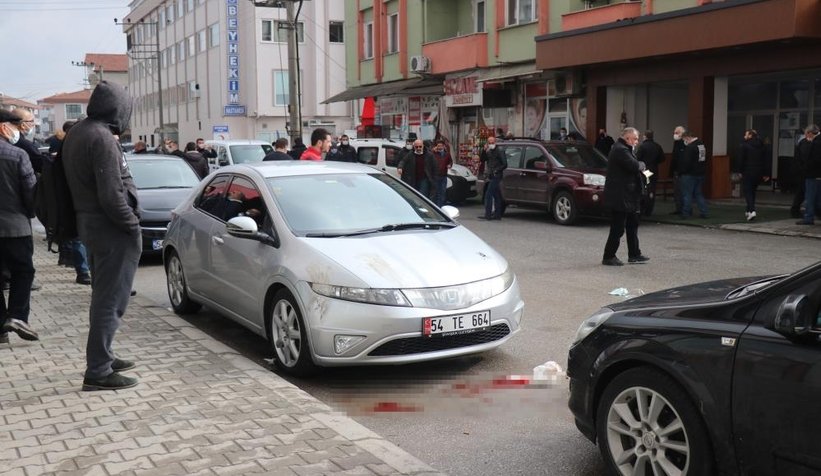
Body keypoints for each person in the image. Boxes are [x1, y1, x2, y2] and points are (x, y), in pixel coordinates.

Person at [62, 81, 140, 391]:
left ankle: (103, 355)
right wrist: (132, 225)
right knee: (111, 299)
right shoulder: (102, 138)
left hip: (92, 226)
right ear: (119, 108)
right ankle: (98, 370)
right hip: (112, 229)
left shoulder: (79, 131)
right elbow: (111, 194)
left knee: (103, 295)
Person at [0, 109, 39, 344]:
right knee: (23, 272)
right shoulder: (17, 155)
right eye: (13, 125)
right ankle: (16, 316)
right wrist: (32, 213)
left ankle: (0, 330)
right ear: (4, 127)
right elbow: (30, 191)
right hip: (16, 227)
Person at [602, 127, 648, 266]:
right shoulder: (620, 150)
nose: (636, 141)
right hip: (620, 196)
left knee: (632, 224)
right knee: (618, 228)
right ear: (627, 138)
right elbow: (634, 166)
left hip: (629, 195)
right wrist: (642, 164)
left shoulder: (626, 149)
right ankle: (609, 256)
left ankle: (634, 254)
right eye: (635, 139)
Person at [736, 129, 766, 222]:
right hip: (758, 172)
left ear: (750, 136)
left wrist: (739, 171)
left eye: (746, 135)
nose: (744, 136)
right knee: (752, 191)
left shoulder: (744, 146)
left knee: (748, 191)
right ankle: (748, 210)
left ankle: (752, 210)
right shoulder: (761, 146)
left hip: (748, 171)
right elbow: (765, 160)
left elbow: (741, 160)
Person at [679, 128, 709, 219]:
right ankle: (704, 211)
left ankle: (686, 213)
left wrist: (681, 172)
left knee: (687, 194)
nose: (684, 141)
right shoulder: (701, 145)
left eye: (684, 139)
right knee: (698, 193)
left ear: (688, 137)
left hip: (689, 174)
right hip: (700, 173)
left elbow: (686, 162)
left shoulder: (690, 147)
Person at [635, 130, 665, 216]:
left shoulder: (642, 147)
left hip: (645, 171)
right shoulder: (657, 146)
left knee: (644, 189)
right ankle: (649, 210)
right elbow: (662, 159)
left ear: (645, 136)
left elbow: (637, 159)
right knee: (652, 190)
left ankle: (643, 209)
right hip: (654, 171)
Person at [796, 124, 821, 225]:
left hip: (813, 174)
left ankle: (808, 217)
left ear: (810, 133)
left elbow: (814, 159)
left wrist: (805, 168)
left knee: (810, 196)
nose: (806, 136)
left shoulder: (816, 143)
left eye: (806, 134)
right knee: (818, 197)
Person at [791, 126, 818, 218]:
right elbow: (805, 158)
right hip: (805, 172)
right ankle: (807, 212)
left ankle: (796, 210)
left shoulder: (803, 143)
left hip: (803, 171)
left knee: (803, 193)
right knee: (806, 193)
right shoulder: (806, 143)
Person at [479, 136, 506, 220]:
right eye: (489, 142)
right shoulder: (489, 151)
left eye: (492, 142)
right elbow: (483, 159)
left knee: (488, 194)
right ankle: (497, 215)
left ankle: (488, 215)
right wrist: (484, 150)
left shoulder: (500, 151)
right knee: (496, 195)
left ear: (495, 142)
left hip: (496, 175)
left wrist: (497, 170)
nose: (491, 144)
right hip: (491, 175)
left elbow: (505, 164)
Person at [11, 109, 47, 174]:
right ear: (23, 125)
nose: (34, 124)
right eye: (31, 121)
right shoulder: (25, 145)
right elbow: (42, 166)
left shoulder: (5, 140)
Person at [669, 125, 687, 215]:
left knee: (682, 191)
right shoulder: (676, 143)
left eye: (677, 133)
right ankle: (679, 209)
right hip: (676, 171)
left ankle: (684, 209)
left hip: (682, 172)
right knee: (677, 191)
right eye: (674, 133)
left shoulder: (685, 143)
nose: (675, 134)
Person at [432, 139, 453, 207]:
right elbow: (428, 155)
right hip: (436, 176)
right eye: (438, 146)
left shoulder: (447, 154)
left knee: (443, 192)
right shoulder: (434, 153)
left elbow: (450, 161)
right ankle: (436, 207)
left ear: (444, 146)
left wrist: (450, 165)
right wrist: (432, 150)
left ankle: (441, 207)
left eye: (441, 146)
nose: (439, 147)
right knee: (436, 193)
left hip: (443, 176)